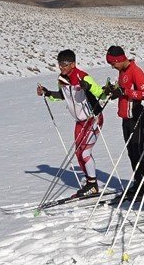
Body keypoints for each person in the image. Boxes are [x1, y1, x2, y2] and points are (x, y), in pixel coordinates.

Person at [36, 49, 105, 198]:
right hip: (79, 121)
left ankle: (92, 185)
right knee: (79, 153)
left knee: (85, 152)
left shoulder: (83, 76)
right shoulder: (61, 79)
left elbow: (101, 93)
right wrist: (47, 93)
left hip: (93, 118)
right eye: (60, 64)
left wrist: (88, 87)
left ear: (73, 64)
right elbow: (62, 96)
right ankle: (89, 182)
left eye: (65, 64)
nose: (61, 67)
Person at [103, 45, 144, 198]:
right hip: (126, 117)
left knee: (138, 151)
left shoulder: (135, 71)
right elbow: (123, 90)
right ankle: (138, 182)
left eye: (113, 63)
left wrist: (124, 91)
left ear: (119, 59)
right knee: (131, 152)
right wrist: (114, 90)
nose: (113, 67)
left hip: (136, 116)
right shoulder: (122, 71)